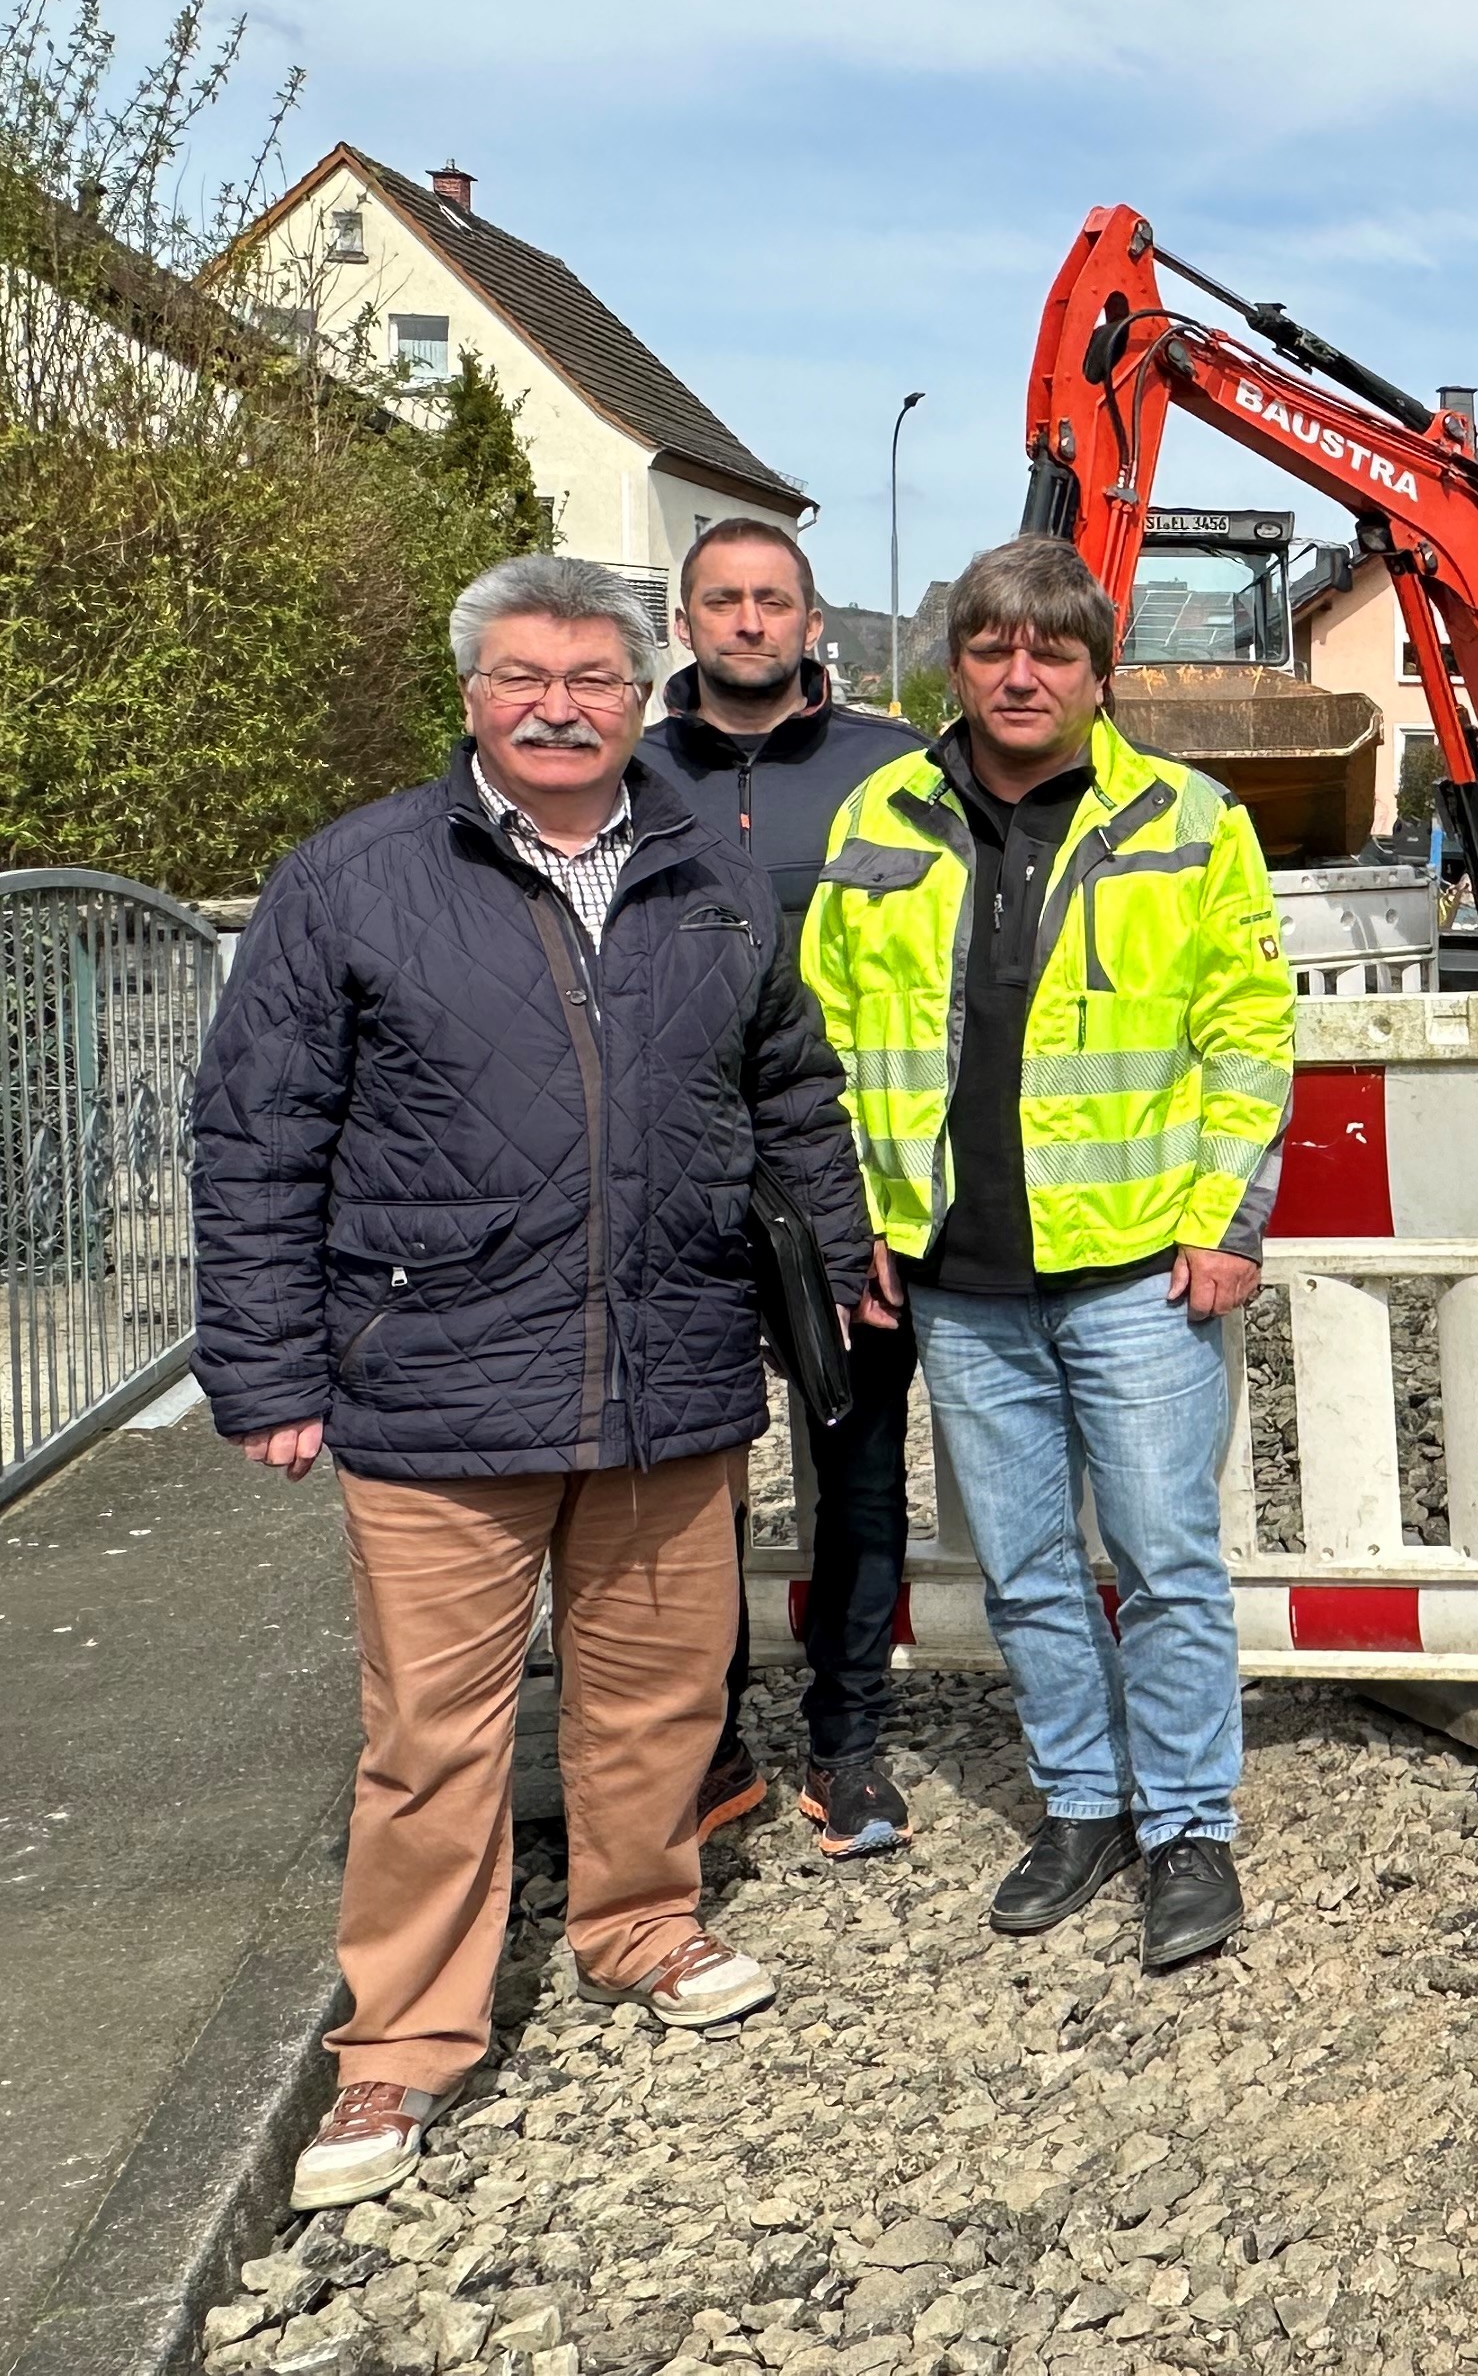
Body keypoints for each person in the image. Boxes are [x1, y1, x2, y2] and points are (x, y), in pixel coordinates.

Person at [193, 555, 868, 2213]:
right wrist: (267, 1366)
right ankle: (405, 2035)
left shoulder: (707, 870)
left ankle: (639, 1923)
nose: (557, 707)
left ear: (640, 695)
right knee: (432, 1733)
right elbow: (257, 1134)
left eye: (589, 678)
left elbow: (788, 1084)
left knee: (655, 1694)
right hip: (437, 1375)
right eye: (523, 677)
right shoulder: (352, 876)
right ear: (472, 696)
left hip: (669, 1363)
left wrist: (838, 1253)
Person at [801, 536, 1296, 1969]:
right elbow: (827, 1038)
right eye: (992, 648)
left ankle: (1186, 1825)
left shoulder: (1188, 821)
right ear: (954, 666)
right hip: (959, 1278)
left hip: (1138, 1269)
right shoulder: (883, 815)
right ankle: (1084, 1802)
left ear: (1097, 674)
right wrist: (858, 1221)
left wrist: (1223, 1221)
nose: (1021, 675)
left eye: (1053, 652)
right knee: (1023, 1568)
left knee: (1163, 1560)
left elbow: (1249, 1035)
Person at [651, 517, 931, 1857]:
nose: (749, 621)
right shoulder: (627, 774)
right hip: (680, 1189)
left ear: (813, 621)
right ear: (685, 622)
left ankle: (848, 1744)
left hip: (851, 1179)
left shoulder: (897, 770)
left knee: (858, 1469)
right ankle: (707, 1744)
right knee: (683, 1485)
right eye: (724, 600)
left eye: (773, 600)